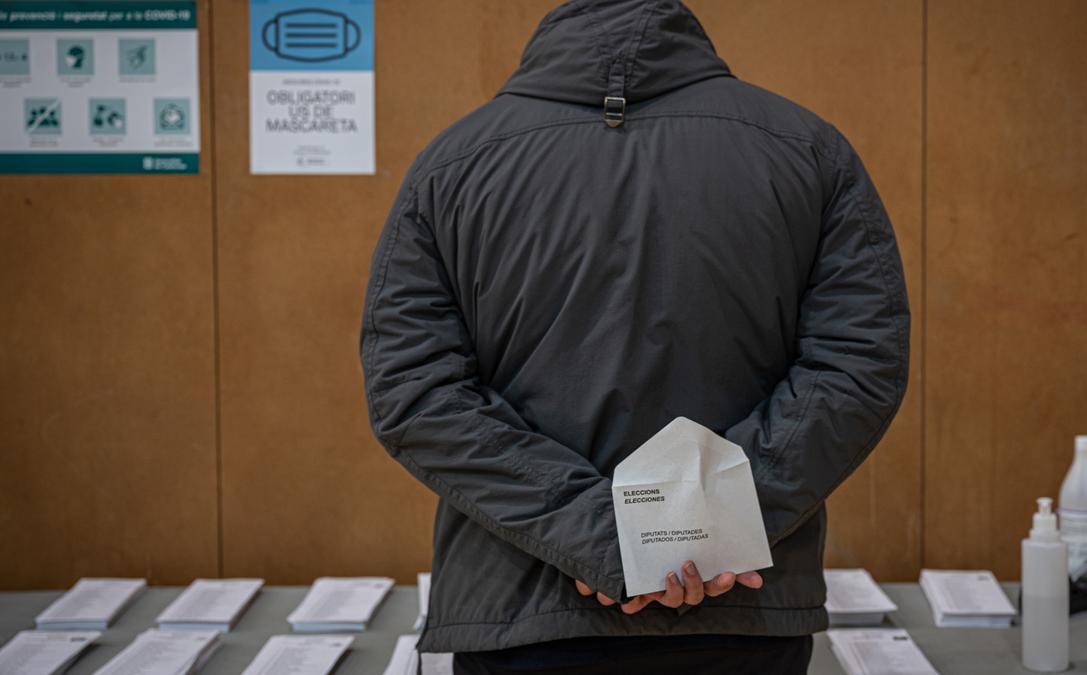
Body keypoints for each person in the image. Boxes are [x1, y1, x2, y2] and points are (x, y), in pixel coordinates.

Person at [359, 0, 910, 672]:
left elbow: (414, 391)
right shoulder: (808, 150)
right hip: (736, 614)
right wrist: (702, 528)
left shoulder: (450, 167)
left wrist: (600, 539)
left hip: (524, 615)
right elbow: (857, 367)